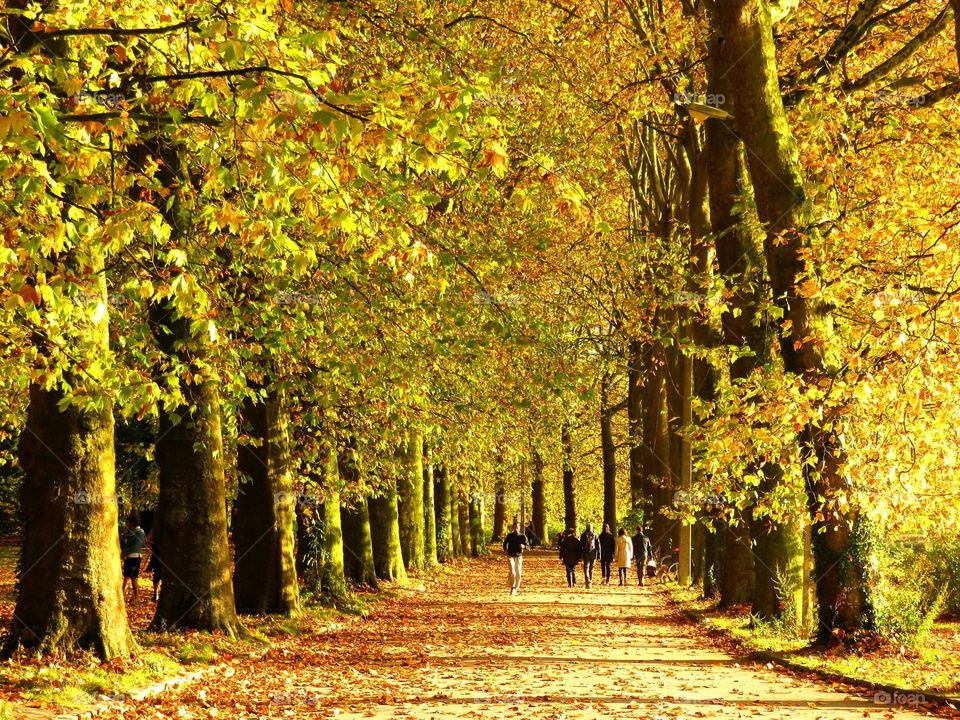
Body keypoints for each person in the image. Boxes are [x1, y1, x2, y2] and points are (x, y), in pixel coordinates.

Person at [120, 512, 147, 603]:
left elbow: (137, 545)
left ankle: (137, 598)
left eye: (128, 522)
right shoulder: (127, 533)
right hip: (128, 557)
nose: (126, 524)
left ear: (132, 522)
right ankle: (121, 595)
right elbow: (123, 543)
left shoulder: (140, 532)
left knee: (133, 577)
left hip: (135, 557)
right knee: (126, 576)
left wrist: (124, 552)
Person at [502, 521, 527, 595]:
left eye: (517, 527)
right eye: (514, 527)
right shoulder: (509, 535)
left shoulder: (523, 536)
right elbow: (505, 543)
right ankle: (512, 587)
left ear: (519, 528)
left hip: (519, 556)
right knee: (512, 571)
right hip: (510, 556)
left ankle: (516, 588)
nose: (516, 529)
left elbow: (528, 546)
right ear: (512, 528)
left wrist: (524, 546)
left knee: (518, 573)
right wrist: (505, 549)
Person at [579, 523, 599, 588]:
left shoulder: (583, 535)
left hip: (585, 552)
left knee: (586, 567)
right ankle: (590, 580)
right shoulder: (595, 535)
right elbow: (598, 545)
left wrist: (580, 555)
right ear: (592, 527)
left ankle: (587, 581)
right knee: (591, 568)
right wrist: (599, 555)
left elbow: (580, 545)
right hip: (593, 553)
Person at [146, 530, 162, 602]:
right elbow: (148, 540)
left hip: (161, 561)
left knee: (158, 578)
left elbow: (148, 540)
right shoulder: (155, 543)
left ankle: (156, 594)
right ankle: (156, 593)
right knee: (156, 578)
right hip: (156, 562)